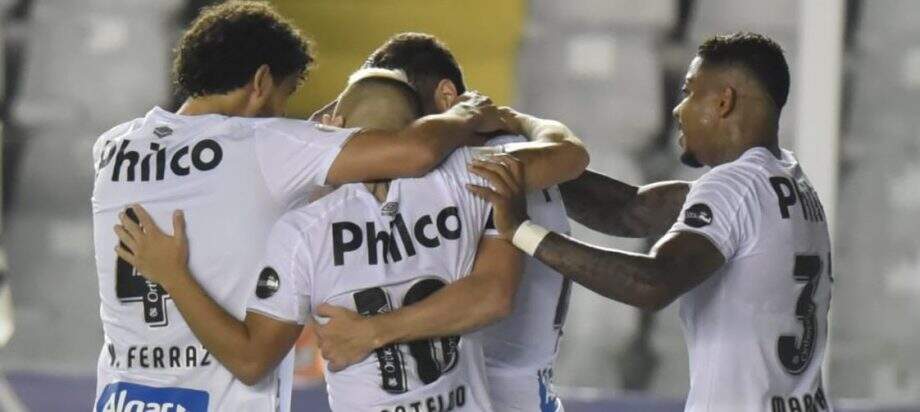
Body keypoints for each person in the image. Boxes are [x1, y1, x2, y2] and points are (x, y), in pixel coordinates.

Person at [91, 3, 506, 411]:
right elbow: (416, 151)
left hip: (121, 399)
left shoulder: (113, 147)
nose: (283, 115)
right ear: (260, 81)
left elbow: (215, 191)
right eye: (285, 96)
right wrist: (467, 112)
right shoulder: (264, 146)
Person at [112, 69, 580, 411]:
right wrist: (519, 121)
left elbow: (251, 360)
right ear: (421, 127)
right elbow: (569, 155)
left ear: (337, 126)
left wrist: (173, 275)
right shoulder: (470, 177)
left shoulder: (302, 228)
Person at [474, 32, 834, 412]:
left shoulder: (735, 185)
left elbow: (652, 283)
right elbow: (632, 209)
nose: (679, 110)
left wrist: (522, 231)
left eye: (689, 91)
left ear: (724, 101)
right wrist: (516, 149)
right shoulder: (790, 181)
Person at [314, 33, 586, 411]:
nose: (394, 126)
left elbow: (491, 295)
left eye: (401, 104)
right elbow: (571, 153)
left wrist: (372, 332)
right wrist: (517, 118)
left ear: (446, 98)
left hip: (479, 391)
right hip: (528, 389)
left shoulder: (457, 172)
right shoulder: (513, 160)